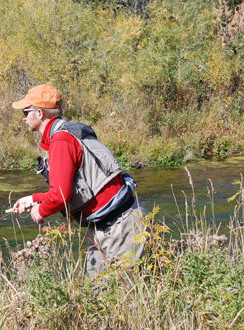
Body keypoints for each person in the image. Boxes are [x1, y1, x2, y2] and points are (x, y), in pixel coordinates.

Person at [9, 84, 145, 276]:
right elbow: (75, 188)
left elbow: (61, 196)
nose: (23, 118)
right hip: (108, 224)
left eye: (25, 111)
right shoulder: (66, 134)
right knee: (97, 293)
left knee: (123, 295)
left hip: (118, 226)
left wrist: (41, 210)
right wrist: (33, 199)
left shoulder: (62, 141)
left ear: (39, 113)